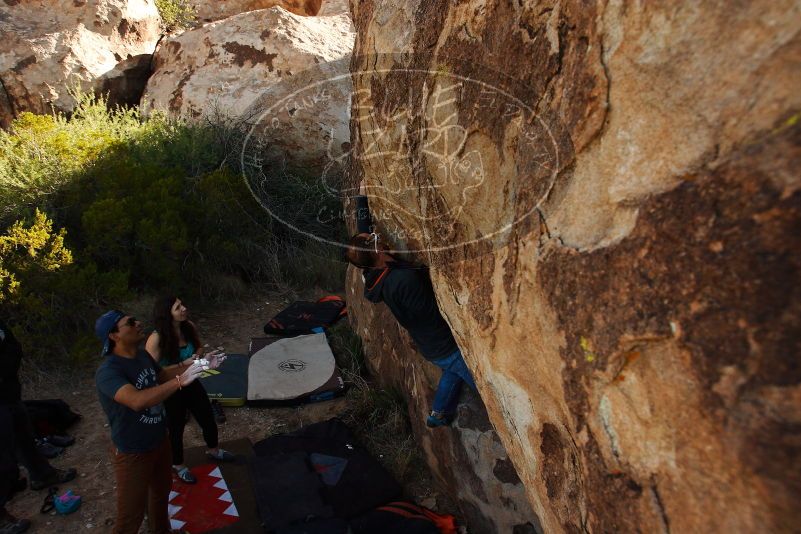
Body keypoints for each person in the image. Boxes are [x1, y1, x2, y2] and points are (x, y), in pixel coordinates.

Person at [346, 186, 477, 427]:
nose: (378, 237)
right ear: (376, 252)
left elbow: (363, 232)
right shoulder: (403, 280)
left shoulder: (373, 271)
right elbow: (431, 311)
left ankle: (438, 415)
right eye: (375, 241)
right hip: (445, 345)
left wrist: (362, 199)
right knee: (479, 383)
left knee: (451, 374)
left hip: (430, 346)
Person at [94, 309, 222, 534]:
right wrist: (181, 381)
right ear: (114, 336)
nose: (138, 323)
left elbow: (161, 377)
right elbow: (136, 401)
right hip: (134, 451)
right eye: (130, 323)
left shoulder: (142, 356)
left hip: (160, 441)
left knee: (161, 497)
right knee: (129, 517)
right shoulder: (109, 372)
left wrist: (199, 366)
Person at [145, 296, 234, 484]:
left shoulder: (188, 326)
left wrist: (200, 357)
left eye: (182, 305)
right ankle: (178, 465)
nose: (184, 309)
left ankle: (213, 450)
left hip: (191, 381)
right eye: (178, 307)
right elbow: (152, 371)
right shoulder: (156, 339)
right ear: (166, 314)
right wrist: (181, 364)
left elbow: (199, 346)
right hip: (171, 387)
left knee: (207, 417)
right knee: (176, 428)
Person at [0, 319, 76, 533]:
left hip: (9, 393)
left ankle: (42, 475)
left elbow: (14, 347)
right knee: (3, 459)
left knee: (25, 438)